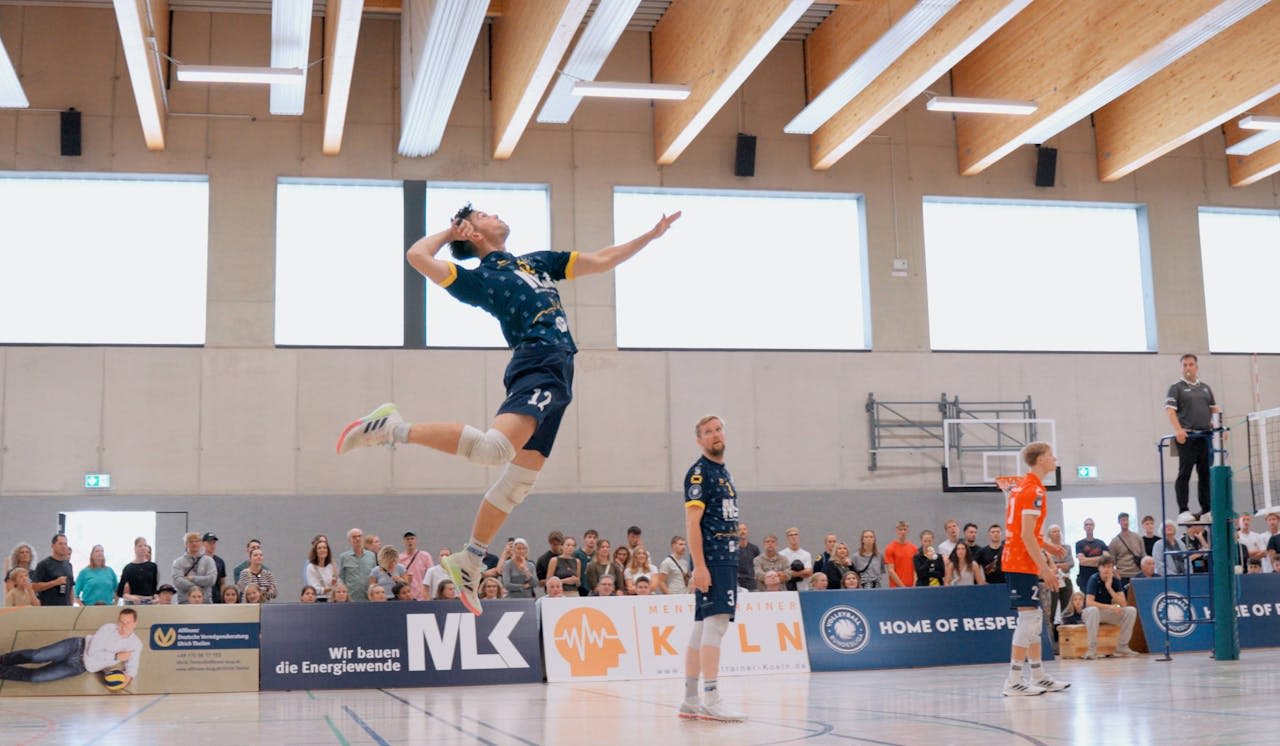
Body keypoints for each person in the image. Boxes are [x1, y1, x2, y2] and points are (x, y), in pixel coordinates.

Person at [336, 204, 682, 616]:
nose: (495, 214)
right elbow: (417, 257)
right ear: (474, 233)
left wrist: (650, 235)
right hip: (537, 362)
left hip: (559, 373)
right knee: (492, 449)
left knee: (518, 482)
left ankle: (470, 557)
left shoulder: (536, 262)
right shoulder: (480, 280)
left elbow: (602, 260)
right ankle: (391, 427)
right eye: (483, 214)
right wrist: (450, 233)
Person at [679, 415, 746, 722]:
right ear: (699, 440)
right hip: (714, 560)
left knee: (701, 627)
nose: (715, 435)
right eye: (708, 432)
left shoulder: (722, 471)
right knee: (716, 624)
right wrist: (700, 566)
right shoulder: (699, 474)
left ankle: (691, 700)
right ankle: (711, 697)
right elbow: (692, 523)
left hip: (726, 557)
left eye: (719, 429)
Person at [999, 442, 1068, 696]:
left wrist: (1047, 546)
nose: (1054, 458)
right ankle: (1013, 680)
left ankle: (1038, 675)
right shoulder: (1034, 491)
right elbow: (1026, 536)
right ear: (1039, 460)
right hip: (1020, 562)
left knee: (1035, 619)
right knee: (1028, 620)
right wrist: (1046, 569)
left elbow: (1024, 531)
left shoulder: (1022, 487)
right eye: (1050, 455)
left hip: (1021, 559)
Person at [0, 608, 142, 686]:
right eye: (121, 622)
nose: (123, 626)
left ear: (135, 623)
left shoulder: (136, 645)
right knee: (36, 656)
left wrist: (127, 678)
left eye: (128, 623)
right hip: (75, 646)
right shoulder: (107, 628)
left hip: (79, 667)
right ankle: (3, 659)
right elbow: (92, 651)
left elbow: (132, 667)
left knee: (35, 677)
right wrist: (115, 656)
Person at [1166, 353, 1221, 523]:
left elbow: (1214, 409)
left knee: (1205, 473)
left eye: (1190, 364)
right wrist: (1178, 430)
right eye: (1184, 365)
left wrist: (1219, 426)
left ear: (1196, 367)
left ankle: (1206, 509)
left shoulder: (1205, 388)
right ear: (1181, 367)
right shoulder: (1176, 388)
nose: (1188, 368)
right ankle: (1183, 510)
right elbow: (1170, 410)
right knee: (1185, 473)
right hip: (1187, 436)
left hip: (1204, 437)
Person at [1082, 556, 1138, 659]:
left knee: (1131, 610)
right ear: (1099, 568)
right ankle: (1091, 649)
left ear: (1113, 568)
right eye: (1103, 567)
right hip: (1091, 613)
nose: (1106, 569)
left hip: (1106, 613)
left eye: (1109, 567)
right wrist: (1110, 606)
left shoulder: (1115, 581)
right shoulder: (1094, 579)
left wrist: (1109, 588)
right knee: (1093, 610)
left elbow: (1123, 603)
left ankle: (1122, 646)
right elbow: (1089, 603)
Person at [172, 532, 216, 605]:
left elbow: (211, 579)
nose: (194, 543)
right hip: (184, 603)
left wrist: (192, 578)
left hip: (205, 602)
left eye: (197, 541)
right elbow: (177, 580)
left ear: (201, 543)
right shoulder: (178, 562)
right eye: (191, 541)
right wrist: (195, 589)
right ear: (186, 544)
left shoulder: (209, 561)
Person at [31, 534, 74, 607]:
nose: (63, 546)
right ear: (53, 546)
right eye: (60, 544)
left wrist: (71, 606)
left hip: (66, 609)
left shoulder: (69, 565)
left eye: (65, 544)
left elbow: (71, 588)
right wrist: (54, 583)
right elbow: (34, 587)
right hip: (48, 608)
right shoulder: (44, 564)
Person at [338, 528, 375, 602]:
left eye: (360, 536)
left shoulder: (371, 555)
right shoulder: (344, 557)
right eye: (354, 537)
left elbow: (374, 576)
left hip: (368, 597)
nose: (357, 539)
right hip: (351, 598)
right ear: (349, 540)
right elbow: (341, 577)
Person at [117, 538, 158, 605]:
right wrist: (131, 597)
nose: (143, 548)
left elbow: (153, 589)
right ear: (135, 548)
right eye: (140, 546)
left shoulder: (153, 566)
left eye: (145, 546)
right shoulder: (128, 568)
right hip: (134, 602)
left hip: (149, 602)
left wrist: (157, 598)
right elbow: (120, 592)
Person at [1108, 512, 1145, 582]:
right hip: (1123, 575)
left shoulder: (1138, 537)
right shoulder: (1114, 541)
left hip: (1138, 574)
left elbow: (1143, 555)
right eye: (1123, 520)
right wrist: (1116, 575)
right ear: (1119, 522)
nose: (1125, 522)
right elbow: (1111, 562)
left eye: (1127, 520)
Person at [1075, 518, 1107, 593]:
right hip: (1085, 579)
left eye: (1091, 524)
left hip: (1100, 577)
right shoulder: (1079, 544)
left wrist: (1087, 560)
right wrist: (1099, 559)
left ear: (1094, 526)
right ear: (1084, 527)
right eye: (1087, 525)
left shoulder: (1101, 543)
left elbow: (1106, 559)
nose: (1089, 526)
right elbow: (1082, 561)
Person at [399, 532, 434, 601]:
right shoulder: (399, 558)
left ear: (416, 540)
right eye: (407, 539)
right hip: (406, 596)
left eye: (412, 539)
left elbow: (431, 574)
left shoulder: (425, 556)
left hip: (421, 595)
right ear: (404, 541)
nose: (410, 541)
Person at [884, 521, 917, 588]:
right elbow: (891, 570)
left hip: (911, 587)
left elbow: (915, 569)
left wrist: (914, 584)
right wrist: (902, 587)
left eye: (905, 529)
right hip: (896, 588)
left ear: (908, 531)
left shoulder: (914, 548)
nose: (903, 532)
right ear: (897, 530)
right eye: (900, 529)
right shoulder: (890, 548)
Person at [201, 533, 227, 603]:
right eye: (209, 543)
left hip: (216, 597)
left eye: (214, 543)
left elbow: (222, 582)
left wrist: (222, 597)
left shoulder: (220, 561)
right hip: (202, 597)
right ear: (203, 544)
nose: (212, 545)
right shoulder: (198, 560)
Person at [736, 523, 760, 592]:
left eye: (744, 529)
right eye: (739, 530)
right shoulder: (733, 549)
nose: (742, 531)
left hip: (751, 582)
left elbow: (757, 564)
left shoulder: (754, 548)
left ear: (747, 531)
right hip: (737, 582)